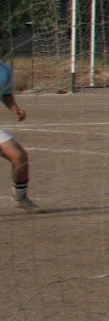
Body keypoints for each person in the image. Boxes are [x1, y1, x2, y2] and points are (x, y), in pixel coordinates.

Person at [0, 59, 42, 213]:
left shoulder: (4, 69)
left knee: (19, 157)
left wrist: (15, 110)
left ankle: (20, 198)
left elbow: (6, 93)